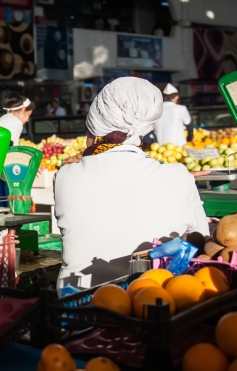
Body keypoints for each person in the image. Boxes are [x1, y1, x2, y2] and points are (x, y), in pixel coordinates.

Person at [54, 77, 209, 290]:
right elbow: (202, 240)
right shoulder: (179, 176)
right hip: (149, 302)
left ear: (94, 127)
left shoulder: (65, 176)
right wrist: (179, 180)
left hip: (75, 307)